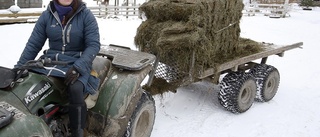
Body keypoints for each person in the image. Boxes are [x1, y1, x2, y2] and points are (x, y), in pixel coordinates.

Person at [14, 0, 100, 136]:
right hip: (51, 62)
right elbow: (33, 44)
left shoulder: (86, 15)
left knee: (76, 89)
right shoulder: (46, 16)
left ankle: (77, 131)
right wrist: (18, 68)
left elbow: (93, 45)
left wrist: (79, 67)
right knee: (27, 83)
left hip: (77, 62)